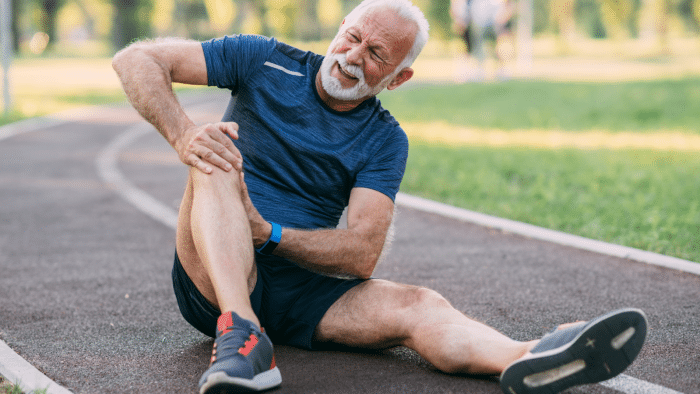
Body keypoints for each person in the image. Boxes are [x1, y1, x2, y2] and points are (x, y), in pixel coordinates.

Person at [112, 1, 647, 393]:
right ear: (340, 27)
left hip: (301, 289)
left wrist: (266, 233)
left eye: (375, 55)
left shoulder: (385, 140)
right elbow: (135, 62)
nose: (351, 57)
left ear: (398, 77)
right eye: (352, 37)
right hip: (212, 275)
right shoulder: (262, 59)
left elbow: (362, 253)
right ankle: (241, 333)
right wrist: (183, 133)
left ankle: (531, 355)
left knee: (418, 304)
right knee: (215, 155)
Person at [451, 0, 516, 81]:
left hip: (497, 13)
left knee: (502, 41)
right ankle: (476, 69)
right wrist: (459, 16)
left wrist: (507, 11)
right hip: (477, 15)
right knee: (474, 44)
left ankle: (503, 70)